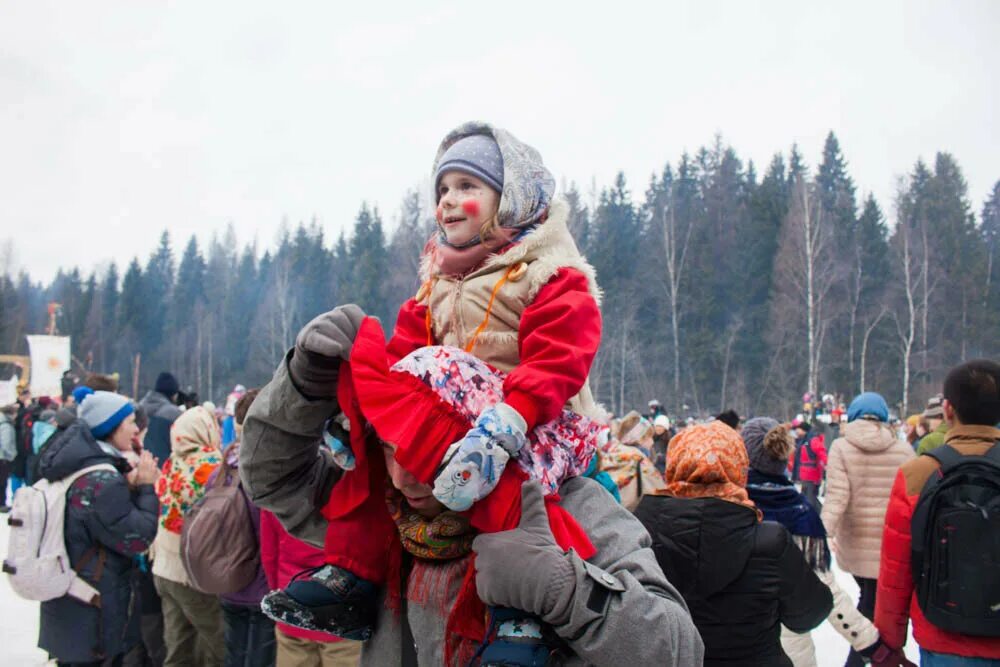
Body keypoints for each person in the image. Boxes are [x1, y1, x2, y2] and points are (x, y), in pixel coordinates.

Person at [276, 122, 606, 637]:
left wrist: (505, 422)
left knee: (511, 495)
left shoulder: (547, 275)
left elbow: (558, 360)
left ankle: (518, 620)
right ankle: (353, 577)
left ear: (510, 199)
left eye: (467, 187)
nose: (449, 201)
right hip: (449, 426)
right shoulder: (434, 284)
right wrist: (361, 416)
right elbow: (402, 358)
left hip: (529, 425)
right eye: (442, 190)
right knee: (381, 436)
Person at [242, 312, 703, 666]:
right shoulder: (387, 519)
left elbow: (679, 650)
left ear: (474, 443)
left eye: (428, 452)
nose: (403, 477)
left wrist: (564, 589)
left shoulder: (565, 507)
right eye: (387, 448)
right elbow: (271, 479)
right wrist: (302, 386)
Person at [634, 420, 833, 667]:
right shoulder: (770, 542)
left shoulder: (640, 535)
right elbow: (810, 613)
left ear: (675, 464)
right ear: (739, 467)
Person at [741, 417, 914, 667]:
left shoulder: (729, 510)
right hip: (791, 652)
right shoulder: (801, 515)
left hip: (734, 645)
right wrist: (873, 645)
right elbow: (827, 590)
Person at [876, 360, 1000, 665]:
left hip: (942, 635)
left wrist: (889, 643)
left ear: (947, 410)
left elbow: (897, 569)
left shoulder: (917, 473)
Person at [37, 390, 161, 666]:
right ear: (110, 426)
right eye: (129, 421)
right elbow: (137, 538)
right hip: (95, 611)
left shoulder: (76, 465)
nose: (135, 428)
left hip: (72, 603)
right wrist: (145, 488)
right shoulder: (102, 481)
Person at [822, 392, 915, 667]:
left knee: (870, 602)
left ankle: (871, 657)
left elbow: (837, 496)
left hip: (857, 543)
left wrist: (821, 532)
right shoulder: (904, 450)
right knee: (883, 605)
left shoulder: (841, 447)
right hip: (894, 544)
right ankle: (883, 656)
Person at [151, 406, 225, 667]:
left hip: (164, 565)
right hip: (191, 572)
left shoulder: (172, 462)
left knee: (178, 642)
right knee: (216, 640)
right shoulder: (211, 464)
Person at [215, 389, 276, 667]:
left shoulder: (221, 471)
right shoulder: (267, 473)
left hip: (228, 584)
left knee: (234, 656)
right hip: (261, 588)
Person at [261, 508, 362, 667]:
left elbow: (269, 554)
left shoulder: (277, 490)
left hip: (291, 600)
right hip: (338, 605)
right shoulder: (347, 491)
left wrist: (279, 593)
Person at [139, 372, 182, 465]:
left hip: (141, 464)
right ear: (174, 394)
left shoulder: (139, 408)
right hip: (166, 466)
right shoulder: (174, 413)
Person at [0, 403, 18, 512]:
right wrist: (12, 455)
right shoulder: (6, 426)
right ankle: (1, 503)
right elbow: (6, 443)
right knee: (2, 482)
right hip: (3, 458)